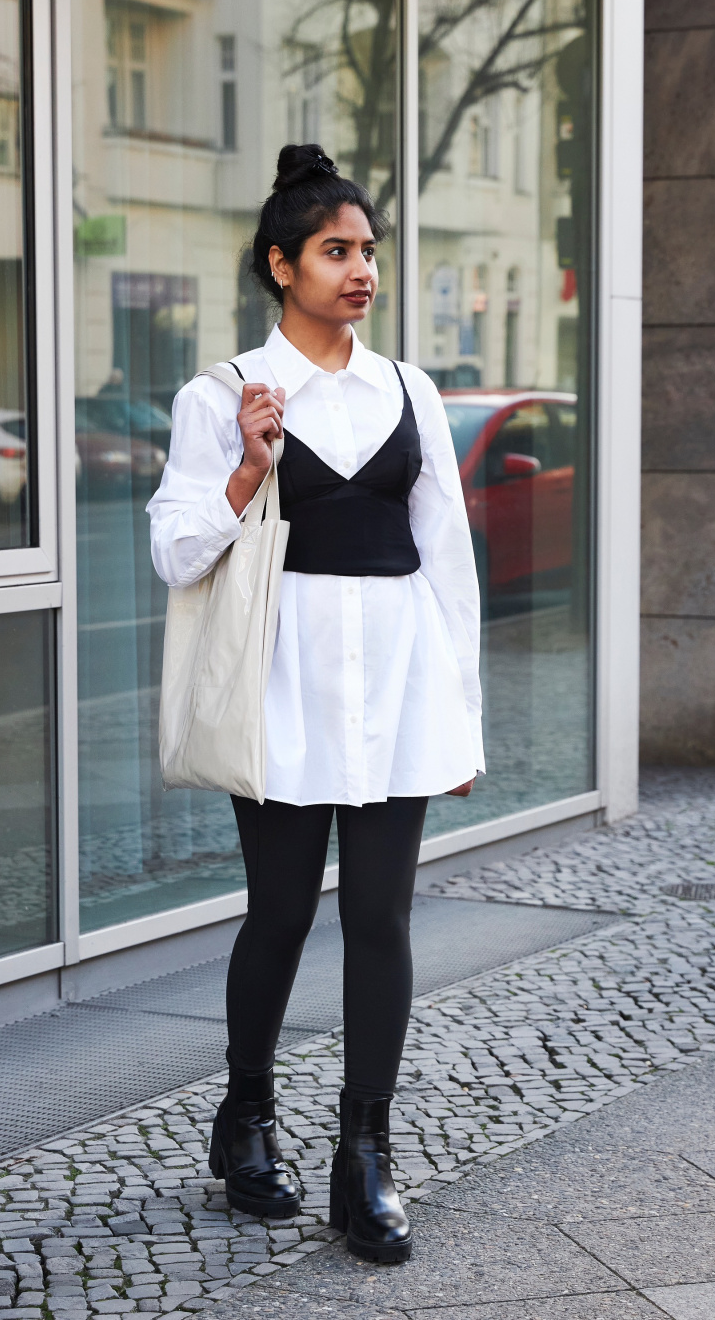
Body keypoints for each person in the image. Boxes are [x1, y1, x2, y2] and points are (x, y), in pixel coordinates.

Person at [147, 143, 484, 1264]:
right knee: (281, 913)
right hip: (283, 688)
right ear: (280, 263)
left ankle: (364, 1160)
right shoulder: (223, 393)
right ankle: (245, 1119)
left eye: (369, 251)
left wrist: (460, 718)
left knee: (380, 919)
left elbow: (447, 558)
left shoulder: (408, 390)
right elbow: (175, 552)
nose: (361, 271)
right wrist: (245, 471)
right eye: (337, 251)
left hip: (394, 687)